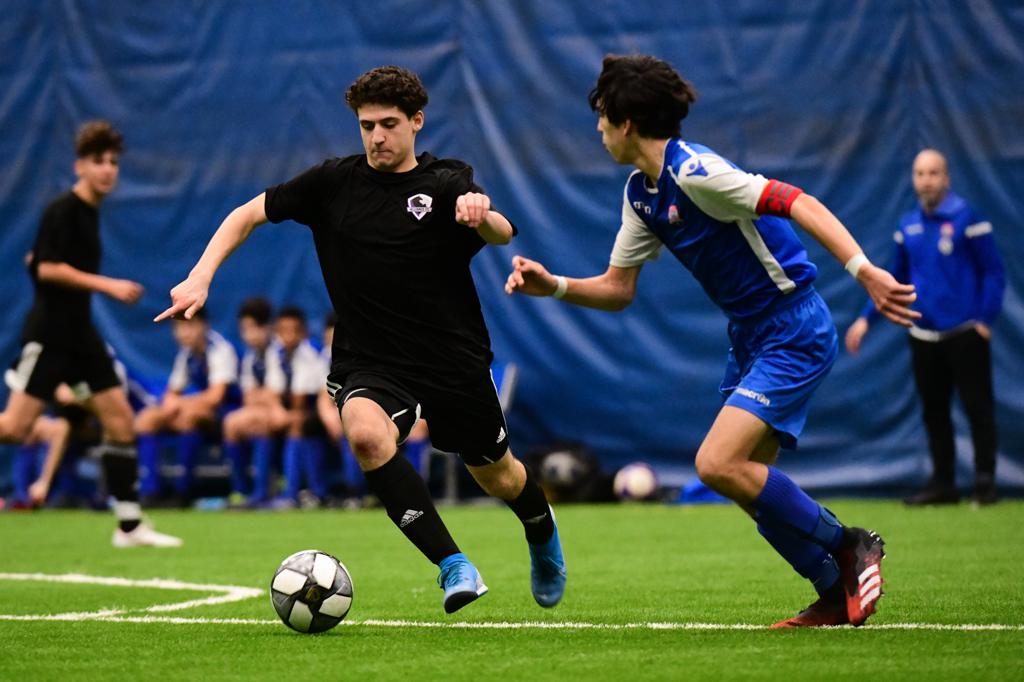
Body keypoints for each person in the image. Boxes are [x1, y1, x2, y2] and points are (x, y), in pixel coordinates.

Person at [505, 55, 919, 628]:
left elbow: (798, 201)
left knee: (717, 464)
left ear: (626, 122)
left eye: (601, 118)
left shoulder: (697, 172)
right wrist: (553, 285)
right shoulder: (640, 195)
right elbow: (618, 288)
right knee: (751, 485)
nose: (597, 131)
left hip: (793, 326)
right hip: (750, 336)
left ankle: (849, 543)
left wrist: (863, 269)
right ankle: (831, 590)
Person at [156, 65, 566, 613]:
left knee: (499, 475)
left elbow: (502, 230)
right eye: (366, 125)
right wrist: (202, 274)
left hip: (453, 360)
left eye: (389, 124)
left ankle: (541, 533)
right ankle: (453, 564)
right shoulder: (332, 183)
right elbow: (247, 213)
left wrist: (480, 212)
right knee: (368, 437)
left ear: (417, 122)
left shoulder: (447, 182)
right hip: (370, 361)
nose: (376, 136)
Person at [0, 121, 180, 547]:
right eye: (98, 161)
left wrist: (44, 261)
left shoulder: (88, 214)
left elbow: (40, 259)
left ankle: (130, 526)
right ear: (79, 166)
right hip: (49, 337)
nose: (108, 170)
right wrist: (109, 285)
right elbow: (46, 268)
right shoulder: (63, 209)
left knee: (120, 422)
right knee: (14, 430)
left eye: (114, 162)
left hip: (81, 337)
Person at [845, 149, 1005, 506]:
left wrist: (984, 321)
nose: (926, 179)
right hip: (923, 335)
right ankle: (943, 484)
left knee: (978, 408)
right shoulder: (908, 226)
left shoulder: (968, 218)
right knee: (934, 412)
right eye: (919, 173)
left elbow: (993, 272)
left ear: (946, 178)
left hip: (965, 333)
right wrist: (864, 319)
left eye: (933, 173)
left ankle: (985, 483)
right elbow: (893, 280)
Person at [135, 307, 238, 505]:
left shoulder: (220, 349)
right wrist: (169, 406)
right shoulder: (186, 355)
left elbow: (216, 397)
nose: (183, 333)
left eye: (189, 326)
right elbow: (171, 394)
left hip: (227, 413)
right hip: (198, 410)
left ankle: (183, 490)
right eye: (178, 328)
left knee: (188, 417)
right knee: (147, 420)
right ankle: (151, 490)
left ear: (203, 325)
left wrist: (179, 404)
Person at [223, 297, 287, 505]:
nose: (248, 335)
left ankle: (263, 491)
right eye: (244, 329)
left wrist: (264, 396)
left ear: (267, 327)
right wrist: (263, 396)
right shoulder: (252, 357)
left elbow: (276, 393)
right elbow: (249, 396)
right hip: (264, 409)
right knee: (231, 423)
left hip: (288, 409)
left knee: (257, 421)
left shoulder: (279, 351)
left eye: (252, 329)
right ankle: (240, 490)